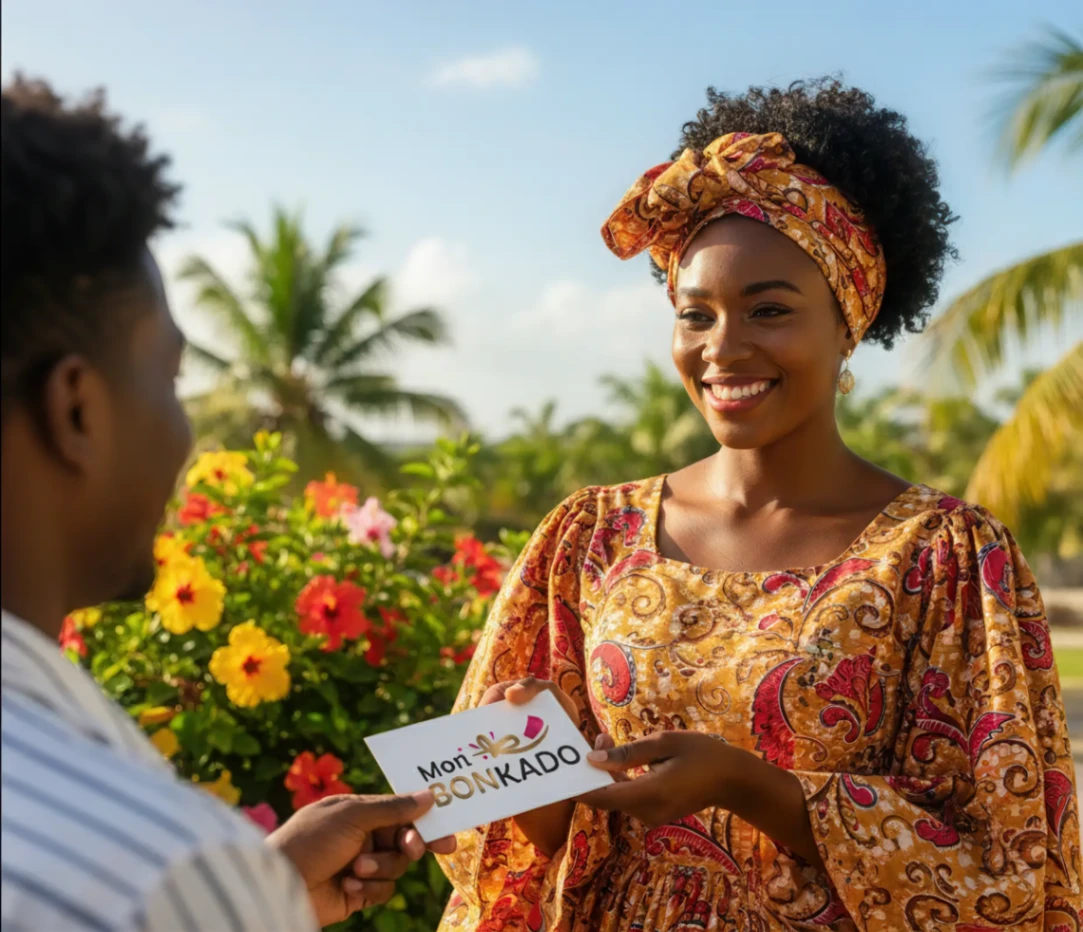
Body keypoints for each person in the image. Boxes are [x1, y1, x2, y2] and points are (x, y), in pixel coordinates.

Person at [434, 78, 1082, 931]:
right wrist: (534, 764)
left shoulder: (944, 558)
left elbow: (1006, 866)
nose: (722, 348)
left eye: (769, 310)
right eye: (693, 313)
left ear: (848, 321)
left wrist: (752, 787)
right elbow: (507, 852)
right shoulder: (589, 537)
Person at [0, 75, 454, 931]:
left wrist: (255, 894)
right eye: (171, 378)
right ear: (76, 410)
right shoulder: (153, 869)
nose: (185, 436)